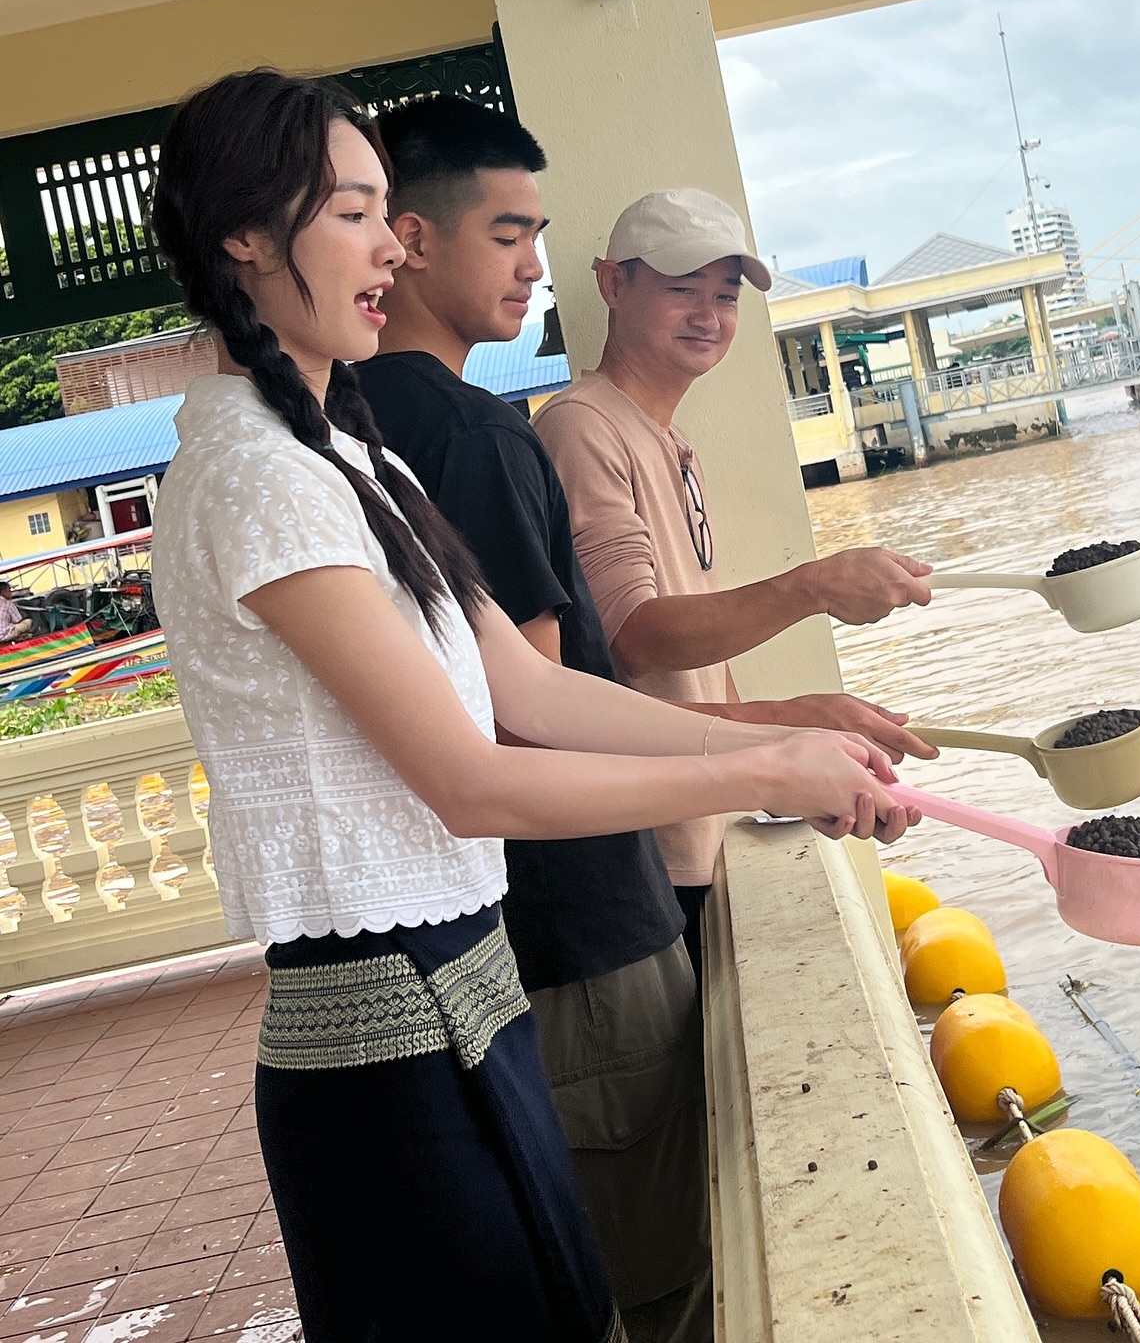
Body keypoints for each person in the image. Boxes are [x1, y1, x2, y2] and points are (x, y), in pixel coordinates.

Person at [147, 70, 913, 1343]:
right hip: (382, 1045)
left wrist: (784, 738)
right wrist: (764, 776)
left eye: (389, 210)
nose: (390, 243)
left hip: (473, 1001)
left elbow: (539, 689)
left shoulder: (351, 453)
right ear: (242, 237)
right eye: (351, 213)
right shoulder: (251, 474)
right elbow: (473, 778)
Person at [533, 189, 935, 958]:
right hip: (646, 846)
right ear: (612, 284)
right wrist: (811, 588)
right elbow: (637, 641)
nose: (708, 316)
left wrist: (803, 737)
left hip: (696, 828)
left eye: (725, 296)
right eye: (682, 290)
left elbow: (706, 684)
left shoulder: (666, 437)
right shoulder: (583, 427)